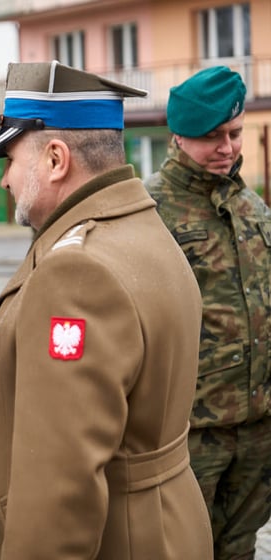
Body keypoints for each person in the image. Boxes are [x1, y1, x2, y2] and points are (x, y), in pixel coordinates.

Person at [0, 61, 214, 559]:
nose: (5, 181)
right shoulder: (142, 229)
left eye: (9, 161)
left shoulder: (77, 272)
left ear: (55, 159)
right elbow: (70, 400)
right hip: (164, 527)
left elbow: (59, 483)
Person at [144, 66, 271, 559]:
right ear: (179, 136)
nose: (227, 148)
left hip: (258, 427)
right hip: (189, 433)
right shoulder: (149, 209)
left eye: (235, 134)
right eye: (211, 137)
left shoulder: (253, 209)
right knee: (178, 549)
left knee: (238, 548)